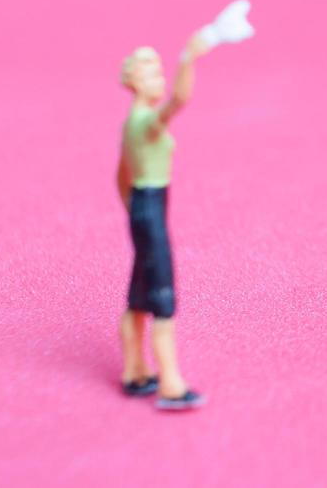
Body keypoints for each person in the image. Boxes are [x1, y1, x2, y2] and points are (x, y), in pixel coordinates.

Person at [116, 33, 210, 410]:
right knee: (163, 298)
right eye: (153, 73)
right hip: (150, 208)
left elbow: (120, 174)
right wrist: (189, 58)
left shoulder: (131, 123)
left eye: (161, 71)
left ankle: (134, 370)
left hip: (145, 205)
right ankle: (170, 383)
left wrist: (133, 210)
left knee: (138, 295)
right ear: (136, 81)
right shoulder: (145, 123)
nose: (161, 80)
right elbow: (180, 101)